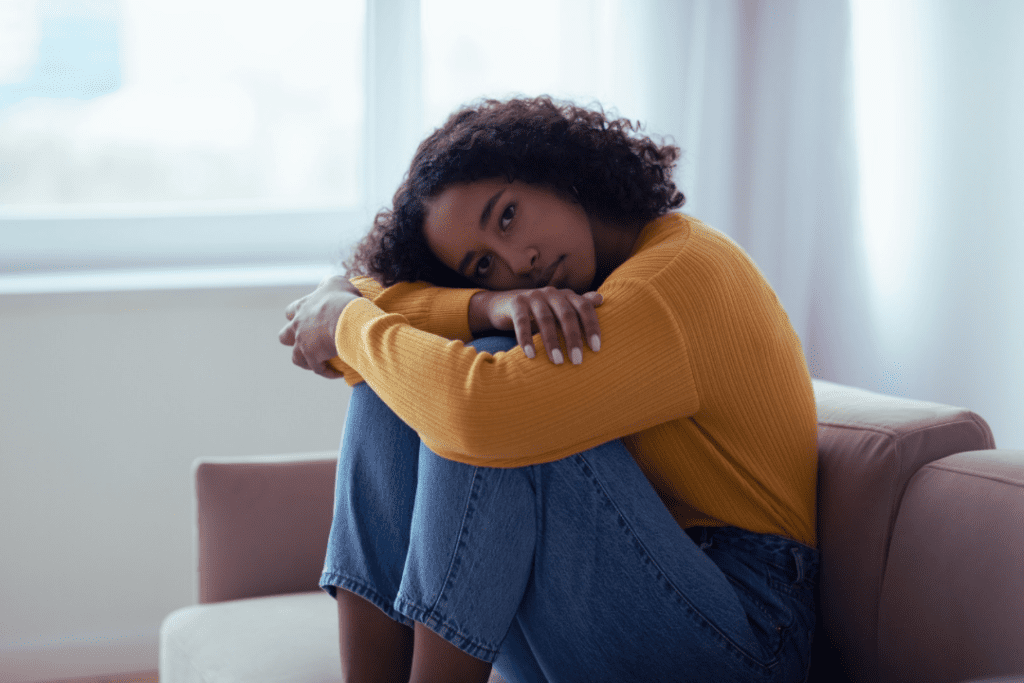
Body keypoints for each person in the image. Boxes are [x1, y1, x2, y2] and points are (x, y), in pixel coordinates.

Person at [278, 96, 819, 683]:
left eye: (507, 215)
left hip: (748, 629)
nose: (520, 261)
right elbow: (370, 334)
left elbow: (484, 414)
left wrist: (346, 320)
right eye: (483, 266)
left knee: (486, 392)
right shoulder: (569, 288)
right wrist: (488, 306)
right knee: (389, 388)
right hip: (619, 592)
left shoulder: (674, 276)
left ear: (557, 173)